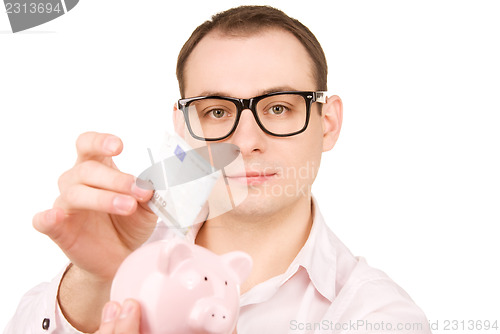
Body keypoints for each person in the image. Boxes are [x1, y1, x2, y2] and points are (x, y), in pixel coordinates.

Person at [4, 5, 431, 334]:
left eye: (279, 107)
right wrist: (97, 279)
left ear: (329, 124)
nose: (245, 142)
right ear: (184, 127)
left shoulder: (378, 316)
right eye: (216, 111)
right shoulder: (130, 249)